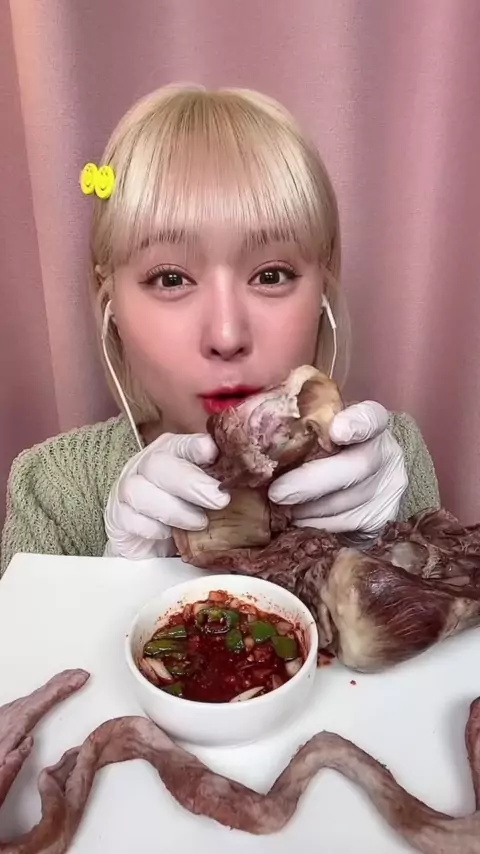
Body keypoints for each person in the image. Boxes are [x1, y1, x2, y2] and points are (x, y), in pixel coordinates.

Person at [0, 84, 440, 575]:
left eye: (271, 276)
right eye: (171, 279)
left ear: (323, 289)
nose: (227, 336)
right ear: (111, 304)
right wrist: (119, 579)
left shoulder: (397, 456)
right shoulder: (53, 487)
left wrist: (390, 557)